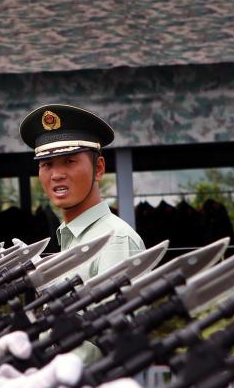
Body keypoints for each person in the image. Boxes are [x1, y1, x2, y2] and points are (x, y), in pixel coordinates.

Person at [20, 103, 145, 281]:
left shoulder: (114, 240)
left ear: (99, 168)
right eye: (47, 164)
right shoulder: (69, 235)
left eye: (69, 161)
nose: (56, 175)